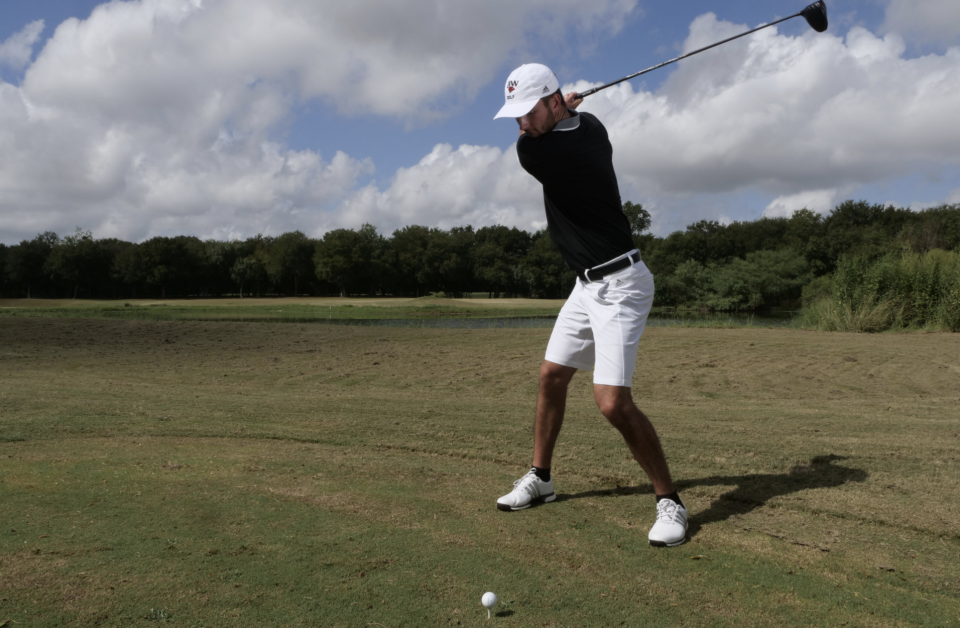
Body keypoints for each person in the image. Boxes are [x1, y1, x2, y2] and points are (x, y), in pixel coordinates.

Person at [492, 63, 687, 547]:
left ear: (555, 103)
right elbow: (565, 123)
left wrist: (560, 112)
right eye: (515, 116)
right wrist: (564, 110)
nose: (521, 125)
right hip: (585, 286)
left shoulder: (548, 152)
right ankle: (541, 477)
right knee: (551, 375)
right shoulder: (592, 126)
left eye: (528, 113)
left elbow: (534, 144)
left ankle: (671, 502)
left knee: (611, 401)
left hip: (622, 282)